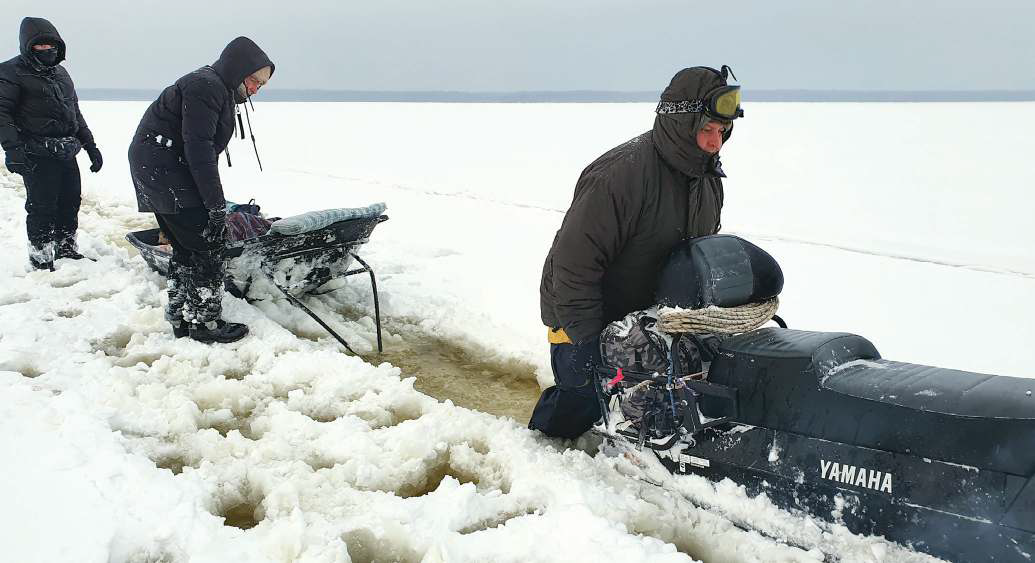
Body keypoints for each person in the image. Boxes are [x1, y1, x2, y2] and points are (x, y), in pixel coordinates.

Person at [530, 66, 743, 438]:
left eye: (722, 131)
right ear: (681, 124)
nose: (715, 142)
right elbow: (573, 264)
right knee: (585, 396)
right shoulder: (620, 176)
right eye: (707, 130)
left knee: (668, 398)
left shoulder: (706, 181)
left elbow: (697, 258)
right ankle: (540, 445)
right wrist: (586, 340)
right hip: (582, 315)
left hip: (643, 317)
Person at [129, 36, 273, 344]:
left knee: (186, 247)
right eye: (254, 80)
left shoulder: (215, 87)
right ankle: (204, 323)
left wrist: (212, 201)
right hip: (165, 169)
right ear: (238, 70)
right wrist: (215, 205)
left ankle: (182, 317)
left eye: (261, 85)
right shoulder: (206, 87)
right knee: (208, 247)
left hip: (160, 168)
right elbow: (199, 150)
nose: (255, 89)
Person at [0, 17, 103, 271]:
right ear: (28, 46)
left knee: (70, 201)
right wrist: (12, 149)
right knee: (42, 206)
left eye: (51, 46)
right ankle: (41, 258)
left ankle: (66, 248)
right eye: (40, 46)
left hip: (67, 150)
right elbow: (2, 113)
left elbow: (74, 112)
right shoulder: (10, 72)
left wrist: (90, 146)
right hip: (36, 151)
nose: (47, 50)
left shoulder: (61, 73)